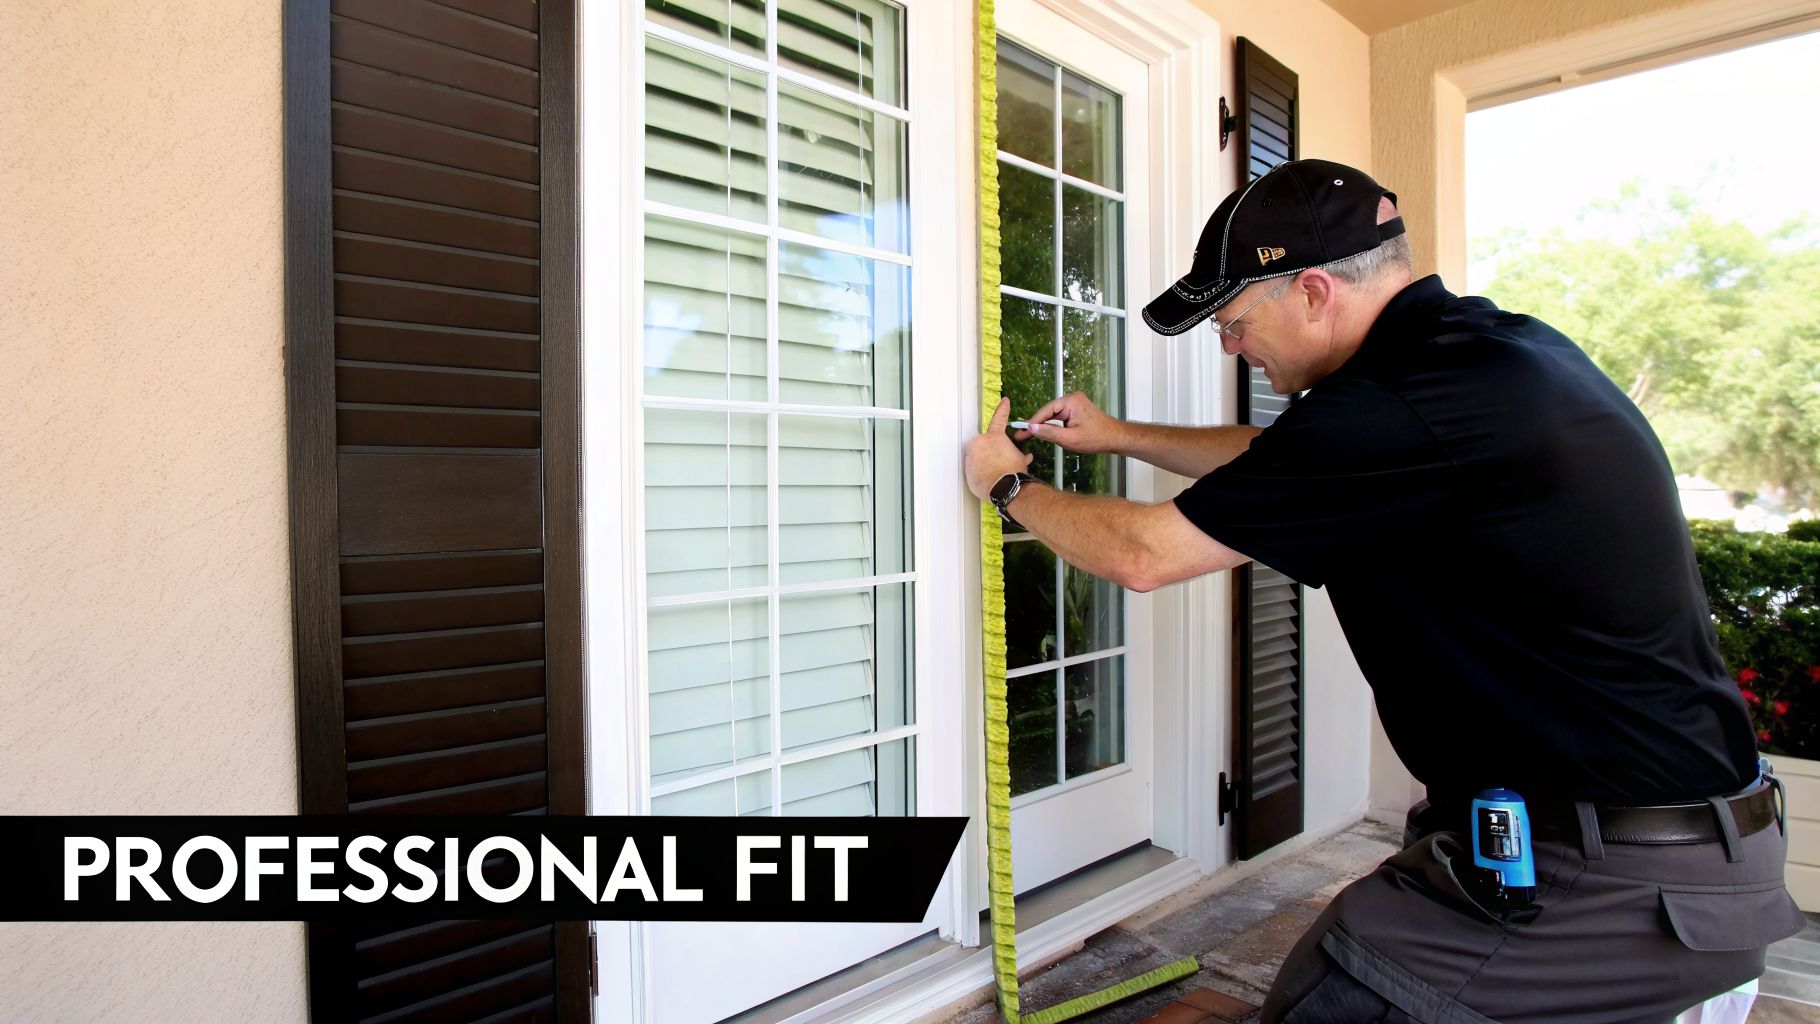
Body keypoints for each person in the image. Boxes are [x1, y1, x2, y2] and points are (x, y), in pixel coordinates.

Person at [962, 158, 1805, 1023]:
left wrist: (1007, 488)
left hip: (1612, 884)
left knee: (1331, 1004)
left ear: (1315, 291)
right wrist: (1120, 437)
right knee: (1325, 971)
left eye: (1234, 320)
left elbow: (1144, 554)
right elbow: (1289, 463)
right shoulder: (1481, 355)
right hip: (1656, 850)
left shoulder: (1396, 403)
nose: (1230, 344)